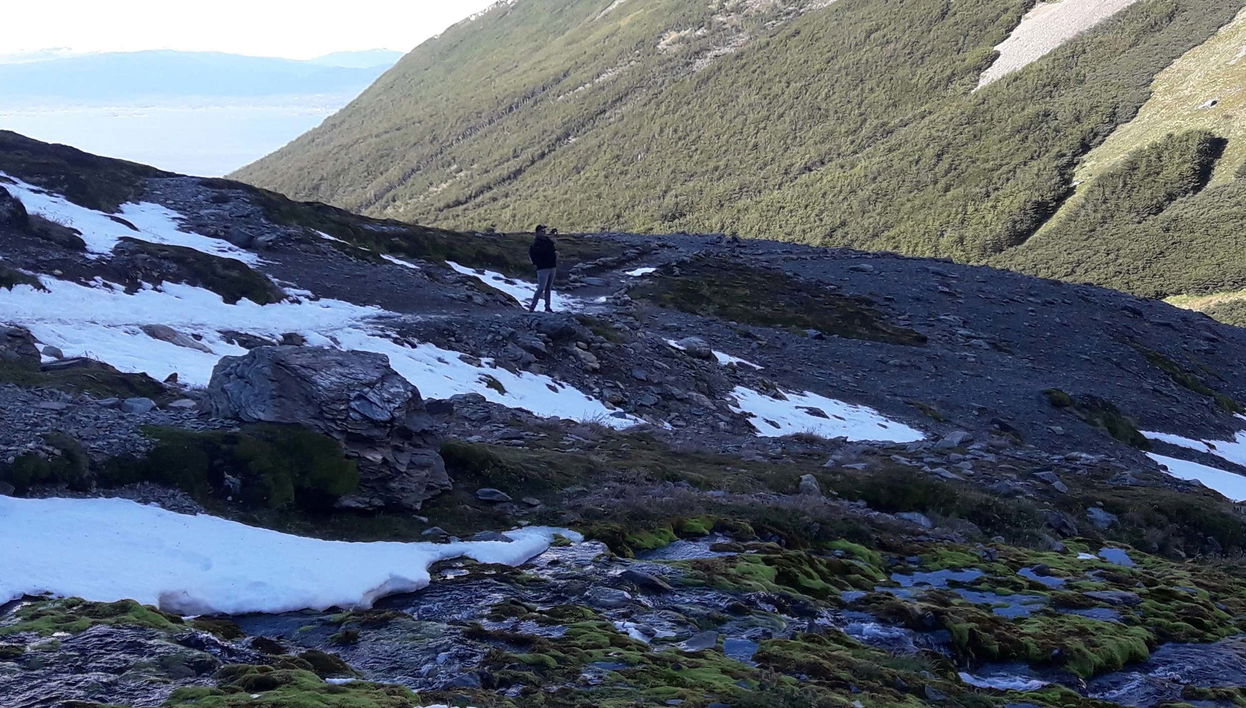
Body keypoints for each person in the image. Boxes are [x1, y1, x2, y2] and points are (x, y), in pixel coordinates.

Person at [528, 225, 557, 312]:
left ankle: (547, 307)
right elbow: (535, 255)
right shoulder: (536, 244)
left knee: (548, 288)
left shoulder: (548, 241)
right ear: (537, 232)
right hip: (542, 268)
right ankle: (532, 307)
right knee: (541, 288)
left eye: (544, 231)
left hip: (552, 266)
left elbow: (552, 250)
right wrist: (538, 264)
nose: (544, 233)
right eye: (542, 231)